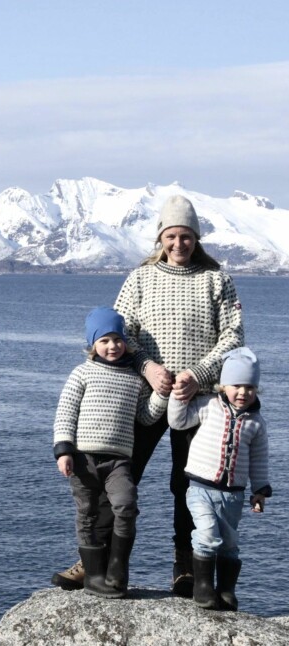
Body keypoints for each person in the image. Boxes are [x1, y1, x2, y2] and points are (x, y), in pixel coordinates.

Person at [52, 195, 245, 595]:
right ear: (161, 237)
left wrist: (198, 374)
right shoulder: (140, 278)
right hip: (146, 396)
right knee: (119, 475)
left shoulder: (216, 279)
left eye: (186, 236)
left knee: (188, 484)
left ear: (196, 237)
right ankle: (95, 560)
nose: (179, 243)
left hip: (199, 400)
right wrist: (148, 367)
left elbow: (233, 336)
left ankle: (186, 566)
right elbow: (123, 333)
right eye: (171, 236)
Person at [53, 307, 168, 598]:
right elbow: (65, 413)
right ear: (93, 344)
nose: (112, 346)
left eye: (118, 339)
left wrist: (161, 395)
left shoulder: (134, 379)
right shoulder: (82, 373)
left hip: (118, 460)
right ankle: (94, 575)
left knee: (126, 506)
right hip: (83, 458)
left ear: (126, 342)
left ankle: (118, 569)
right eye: (104, 340)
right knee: (88, 514)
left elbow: (145, 416)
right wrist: (64, 450)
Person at [168, 347, 271, 611]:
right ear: (223, 385)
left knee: (229, 542)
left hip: (233, 494)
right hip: (200, 488)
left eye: (250, 387)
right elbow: (178, 422)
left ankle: (225, 590)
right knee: (206, 533)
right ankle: (202, 587)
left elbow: (259, 459)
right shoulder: (209, 406)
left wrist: (260, 490)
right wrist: (177, 396)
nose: (243, 392)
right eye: (237, 385)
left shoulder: (256, 423)